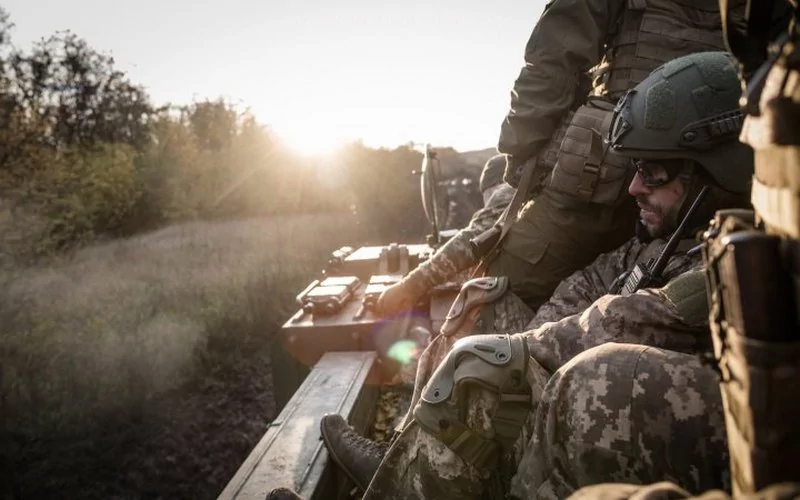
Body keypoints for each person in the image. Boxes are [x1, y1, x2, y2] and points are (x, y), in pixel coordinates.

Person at [265, 50, 755, 500]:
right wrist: (526, 344)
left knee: (503, 367)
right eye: (636, 169)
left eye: (654, 172)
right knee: (485, 303)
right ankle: (406, 460)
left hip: (661, 419)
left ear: (717, 171)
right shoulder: (664, 238)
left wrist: (522, 354)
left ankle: (410, 484)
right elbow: (587, 283)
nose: (633, 188)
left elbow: (628, 319)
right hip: (602, 372)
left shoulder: (732, 260)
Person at [376, 0, 748, 318]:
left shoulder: (503, 203)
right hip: (723, 165)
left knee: (498, 297)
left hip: (604, 163)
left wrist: (522, 153)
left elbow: (553, 59)